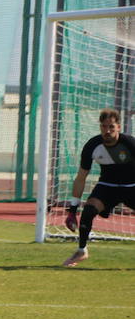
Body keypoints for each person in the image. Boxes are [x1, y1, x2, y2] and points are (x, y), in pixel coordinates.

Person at [62, 107, 135, 267]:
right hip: (107, 187)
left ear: (119, 128)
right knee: (88, 210)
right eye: (104, 126)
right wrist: (72, 211)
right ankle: (81, 251)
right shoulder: (92, 146)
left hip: (132, 187)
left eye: (111, 127)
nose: (107, 131)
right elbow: (81, 178)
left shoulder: (130, 144)